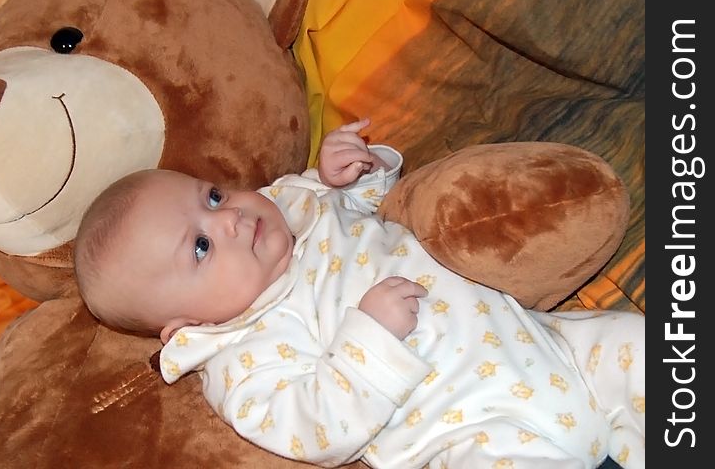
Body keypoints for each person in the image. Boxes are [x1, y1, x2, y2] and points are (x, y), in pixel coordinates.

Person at [74, 119, 645, 469]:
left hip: (546, 346)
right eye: (199, 247)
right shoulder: (239, 361)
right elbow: (314, 428)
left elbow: (376, 205)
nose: (227, 221)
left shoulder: (298, 203)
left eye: (214, 197)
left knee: (640, 346)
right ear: (182, 326)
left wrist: (354, 173)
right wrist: (367, 340)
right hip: (466, 426)